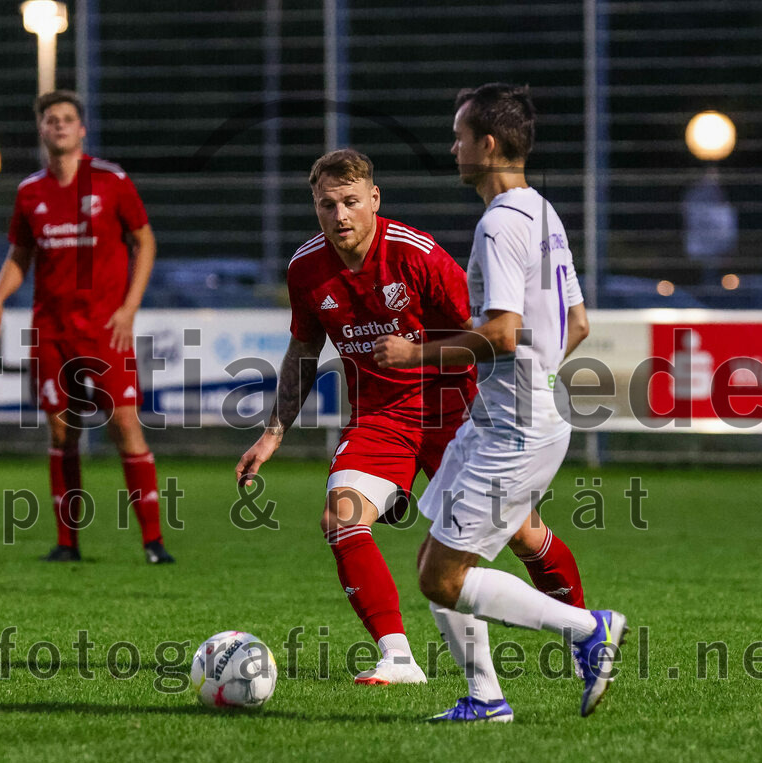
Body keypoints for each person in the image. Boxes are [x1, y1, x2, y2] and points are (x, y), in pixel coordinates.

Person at [236, 149, 586, 685]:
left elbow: (483, 337)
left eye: (351, 201)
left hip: (456, 413)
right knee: (340, 518)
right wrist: (274, 431)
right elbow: (303, 352)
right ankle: (398, 656)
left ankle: (583, 632)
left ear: (374, 199)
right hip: (381, 418)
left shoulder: (417, 255)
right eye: (327, 205)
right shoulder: (306, 270)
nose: (340, 215)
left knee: (521, 533)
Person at [374, 83, 627, 720]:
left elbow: (502, 332)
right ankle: (484, 698)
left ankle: (587, 629)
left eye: (459, 136)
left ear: (487, 145)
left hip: (512, 430)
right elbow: (578, 322)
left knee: (443, 578)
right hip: (505, 418)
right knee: (437, 556)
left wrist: (415, 356)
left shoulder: (497, 224)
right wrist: (536, 381)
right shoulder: (542, 210)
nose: (452, 147)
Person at [0, 89, 173, 565]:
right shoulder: (30, 192)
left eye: (67, 119)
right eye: (50, 119)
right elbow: (21, 256)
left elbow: (144, 242)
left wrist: (129, 309)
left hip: (106, 331)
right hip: (52, 331)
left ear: (81, 129)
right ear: (42, 130)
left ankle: (153, 542)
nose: (59, 125)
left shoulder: (110, 181)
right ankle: (68, 544)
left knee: (126, 427)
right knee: (62, 434)